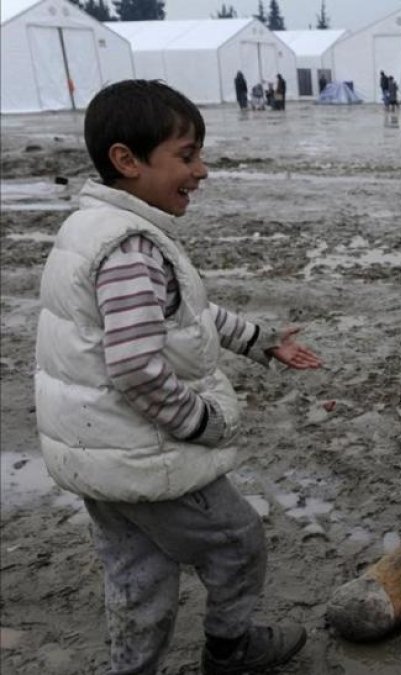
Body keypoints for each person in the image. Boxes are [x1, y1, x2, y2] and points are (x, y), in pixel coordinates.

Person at [34, 80, 322, 675]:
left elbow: (182, 316)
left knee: (137, 573)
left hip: (97, 458)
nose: (203, 170)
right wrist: (204, 424)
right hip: (145, 454)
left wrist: (258, 341)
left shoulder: (88, 228)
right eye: (187, 156)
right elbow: (138, 368)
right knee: (238, 541)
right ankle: (230, 647)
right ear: (127, 160)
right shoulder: (130, 248)